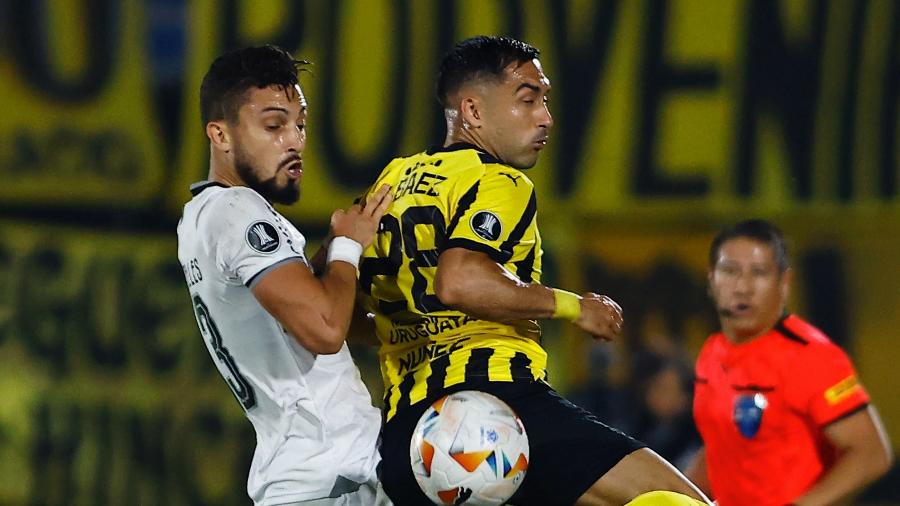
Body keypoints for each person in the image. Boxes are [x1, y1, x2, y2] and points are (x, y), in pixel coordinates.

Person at [359, 35, 710, 506]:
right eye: (528, 99)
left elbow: (340, 314)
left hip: (409, 444)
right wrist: (573, 306)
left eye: (545, 100)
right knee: (674, 499)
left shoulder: (392, 180)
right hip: (495, 412)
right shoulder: (497, 180)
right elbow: (460, 279)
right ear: (473, 111)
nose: (546, 117)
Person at [177, 45, 393, 505]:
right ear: (221, 134)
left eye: (300, 124)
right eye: (274, 126)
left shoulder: (203, 217)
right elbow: (324, 327)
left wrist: (333, 253)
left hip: (313, 477)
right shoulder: (238, 210)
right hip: (330, 480)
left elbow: (302, 317)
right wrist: (349, 247)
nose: (294, 140)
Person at [686, 219, 893, 505]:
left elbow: (871, 454)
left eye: (758, 272)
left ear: (784, 282)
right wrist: (677, 493)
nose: (743, 287)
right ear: (711, 280)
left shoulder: (810, 356)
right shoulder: (712, 352)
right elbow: (723, 446)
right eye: (730, 271)